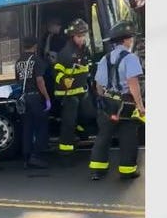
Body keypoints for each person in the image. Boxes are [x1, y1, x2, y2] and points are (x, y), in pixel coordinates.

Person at [89, 21, 145, 181]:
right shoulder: (131, 58)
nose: (132, 41)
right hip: (125, 104)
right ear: (126, 40)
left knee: (103, 136)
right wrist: (140, 106)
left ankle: (97, 170)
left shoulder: (104, 59)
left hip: (107, 104)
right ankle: (127, 171)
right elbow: (133, 84)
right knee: (127, 136)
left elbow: (98, 85)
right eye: (131, 38)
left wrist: (102, 100)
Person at [54, 18, 93, 154]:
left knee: (89, 113)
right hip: (67, 93)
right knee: (68, 122)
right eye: (79, 36)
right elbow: (57, 72)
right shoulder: (66, 53)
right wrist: (64, 79)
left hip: (81, 90)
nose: (82, 39)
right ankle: (66, 151)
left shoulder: (84, 50)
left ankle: (80, 129)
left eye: (84, 35)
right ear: (72, 36)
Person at [15, 35, 52, 169]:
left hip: (24, 98)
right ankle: (36, 156)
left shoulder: (19, 61)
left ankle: (26, 157)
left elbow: (18, 80)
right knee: (41, 126)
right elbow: (40, 80)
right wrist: (47, 98)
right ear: (35, 46)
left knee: (27, 127)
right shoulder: (37, 60)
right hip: (36, 97)